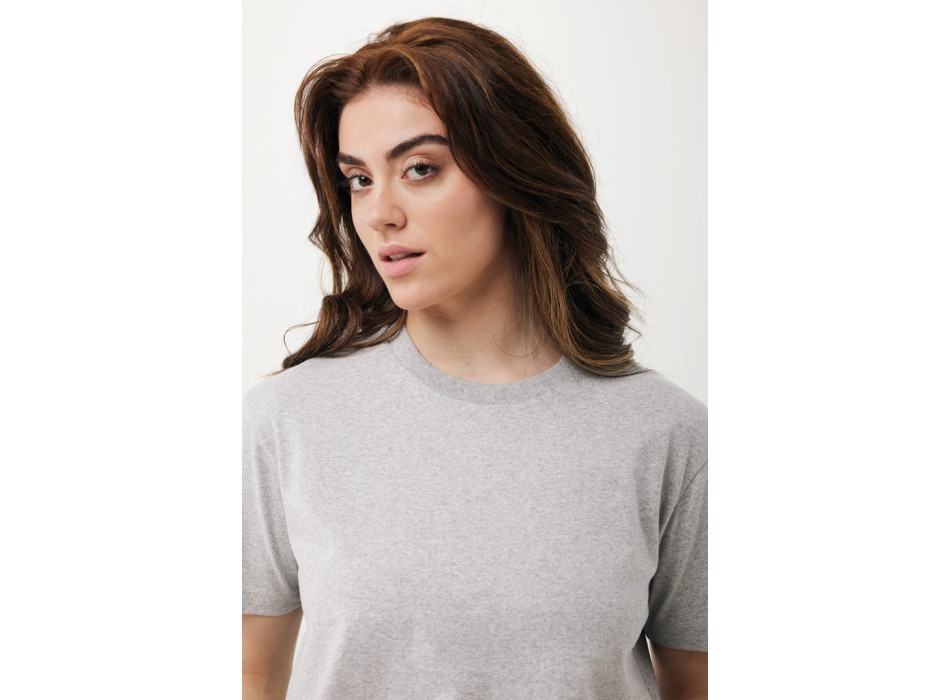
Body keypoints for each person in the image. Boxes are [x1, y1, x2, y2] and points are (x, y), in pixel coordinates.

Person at [243, 17, 707, 700]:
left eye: (420, 169)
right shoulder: (287, 421)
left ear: (516, 170)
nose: (379, 213)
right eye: (359, 179)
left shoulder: (665, 433)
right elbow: (250, 674)